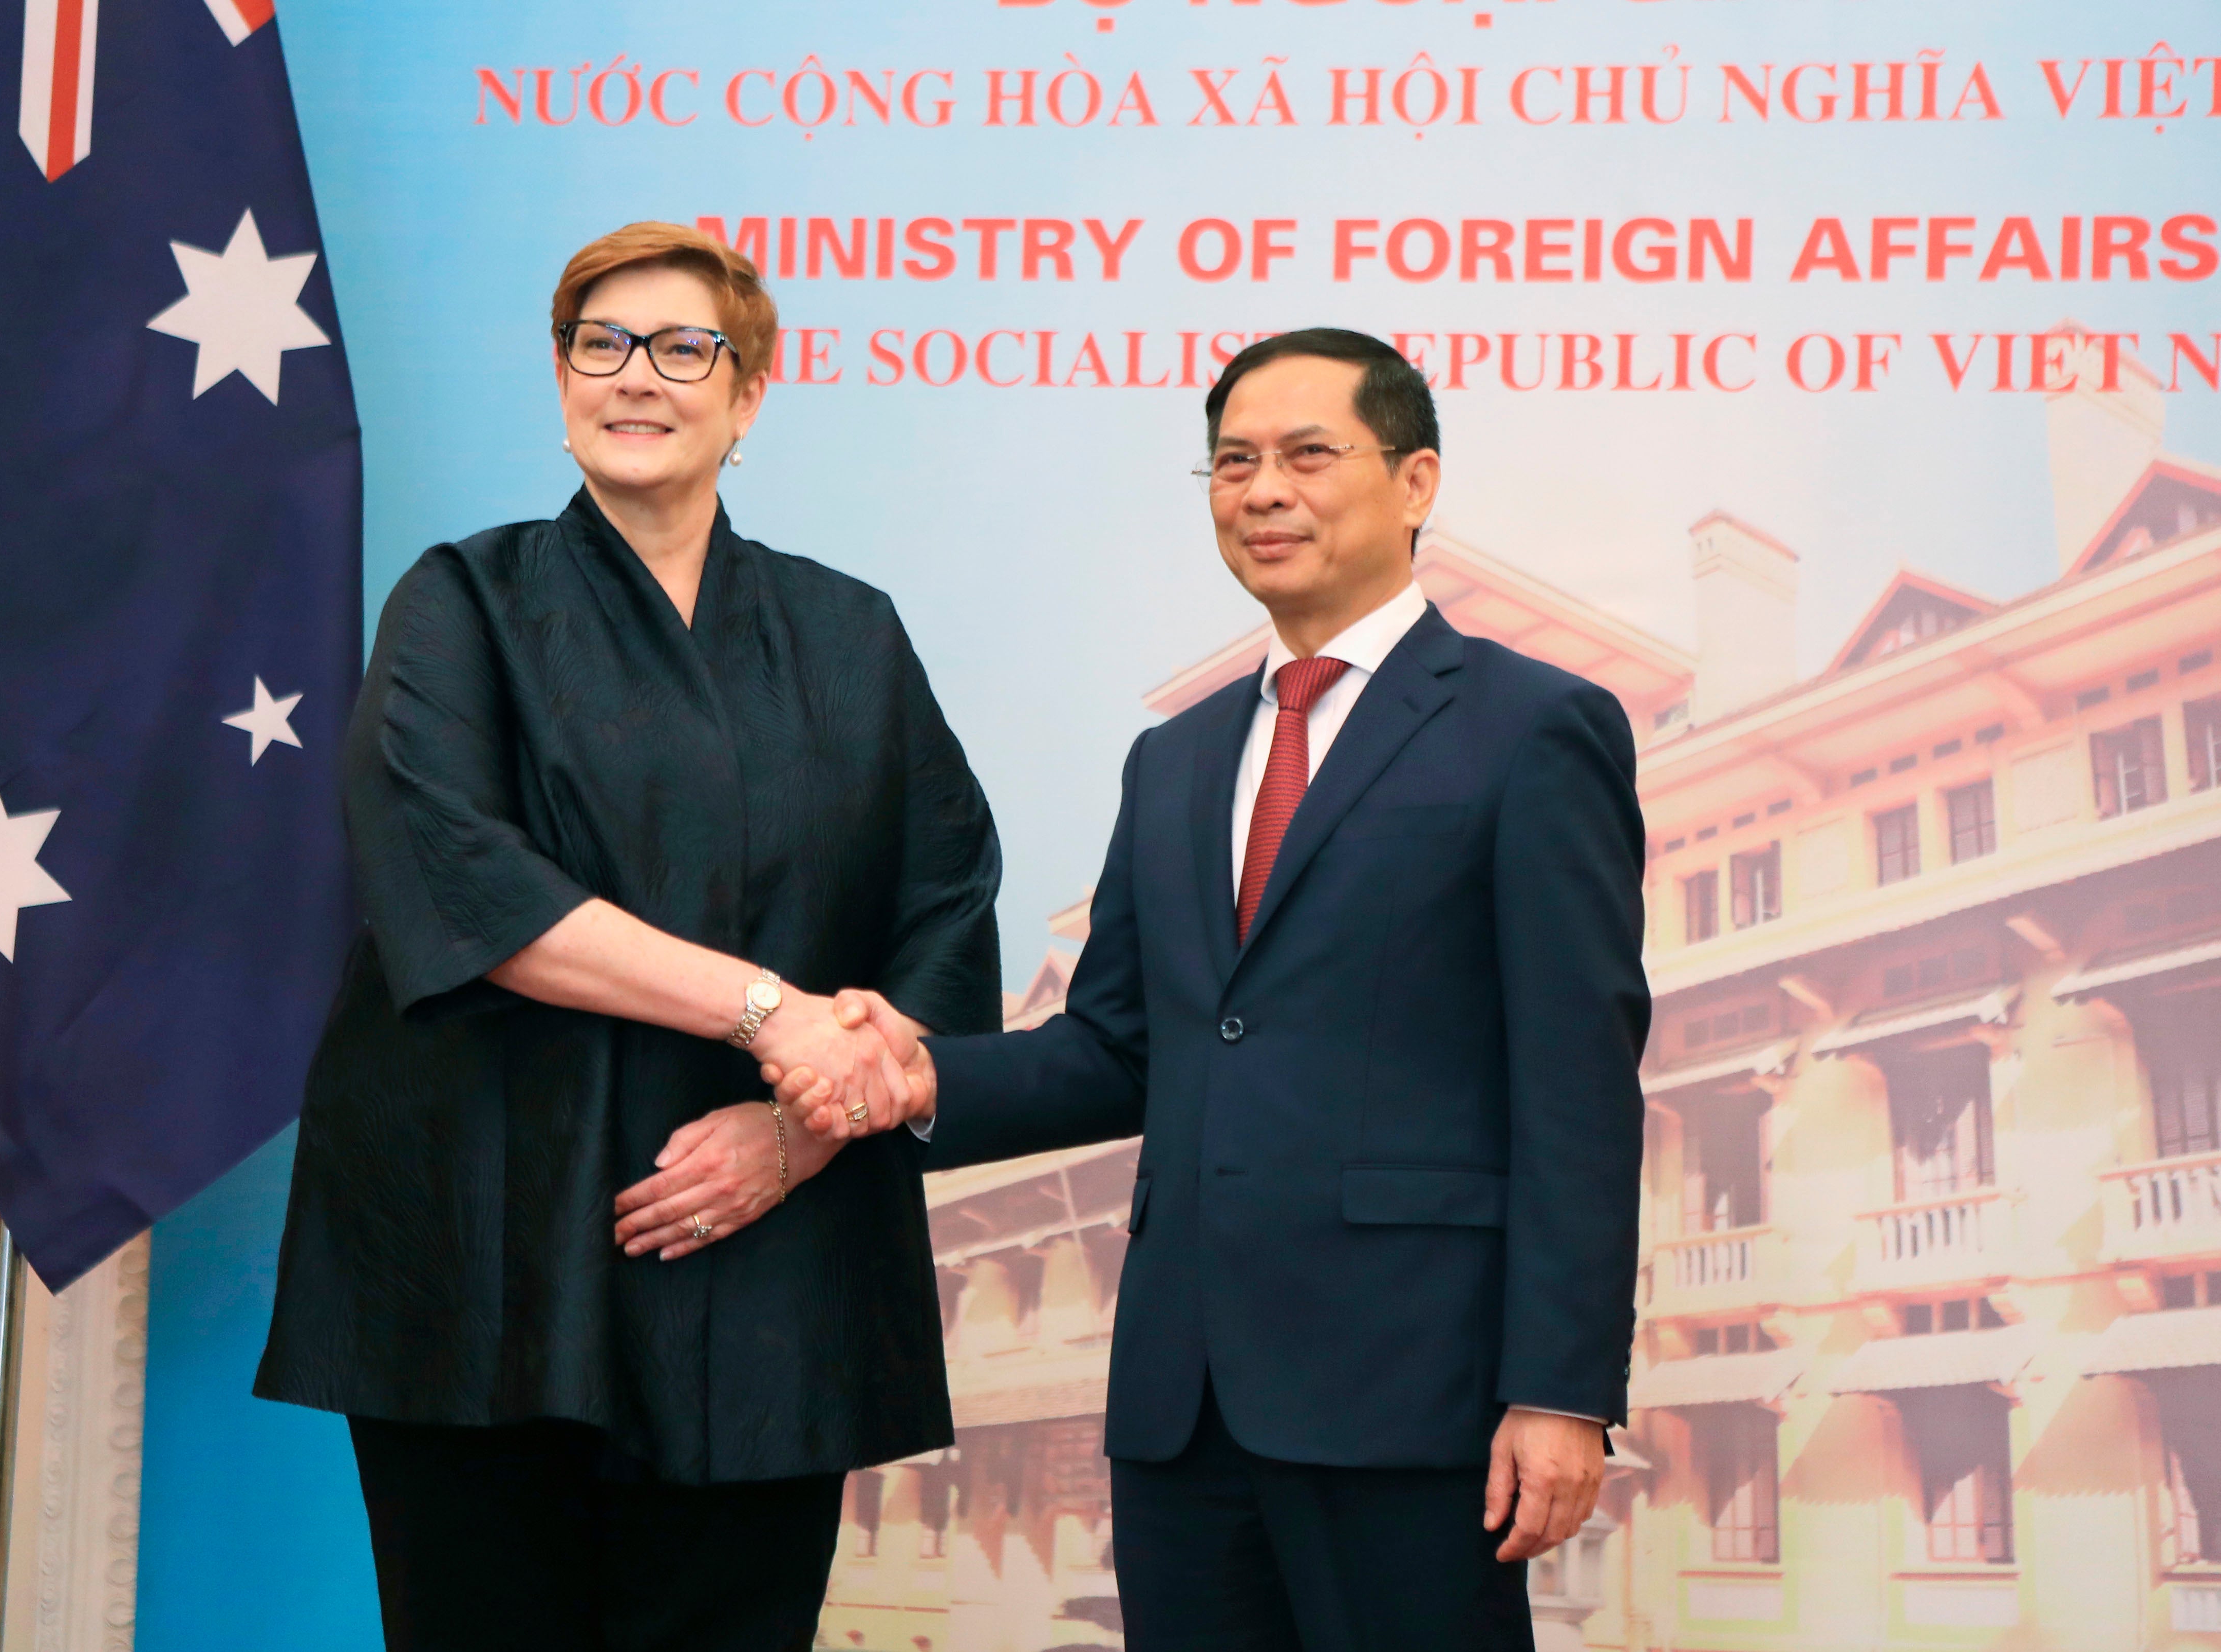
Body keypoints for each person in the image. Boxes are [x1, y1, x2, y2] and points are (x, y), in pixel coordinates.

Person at [777, 330, 1649, 1651]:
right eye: (1232, 461)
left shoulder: (1533, 729)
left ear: (1415, 482)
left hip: (1415, 1398)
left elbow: (1579, 1086)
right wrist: (917, 1075)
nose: (1262, 489)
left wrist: (1561, 1389)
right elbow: (1120, 1048)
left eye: (1308, 454)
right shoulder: (1172, 761)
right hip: (1184, 1405)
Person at [254, 221, 1003, 1652]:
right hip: (487, 1244)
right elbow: (462, 882)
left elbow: (948, 902)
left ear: (751, 391)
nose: (636, 376)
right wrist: (770, 1012)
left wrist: (809, 1127)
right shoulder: (459, 602)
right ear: (560, 378)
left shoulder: (852, 633)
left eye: (683, 347)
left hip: (769, 1255)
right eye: (599, 344)